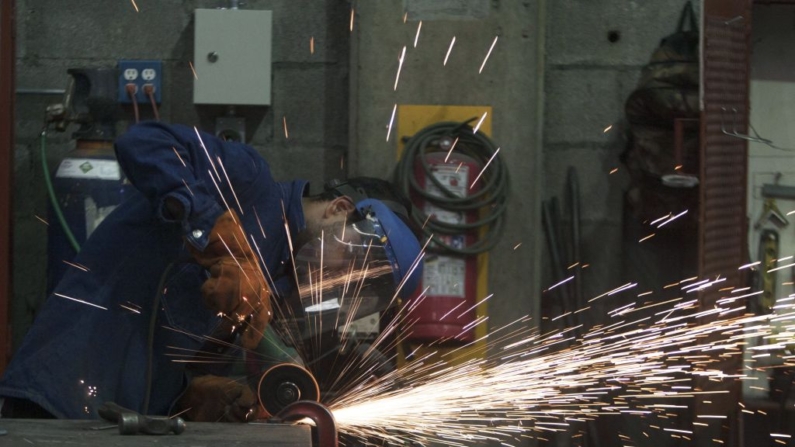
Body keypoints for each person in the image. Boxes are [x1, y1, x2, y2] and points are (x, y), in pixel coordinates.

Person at [0, 121, 423, 422]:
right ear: (340, 210)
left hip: (120, 425)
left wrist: (193, 395)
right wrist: (220, 239)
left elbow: (170, 353)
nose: (342, 284)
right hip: (54, 402)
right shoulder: (248, 181)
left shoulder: (274, 289)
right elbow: (143, 142)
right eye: (354, 267)